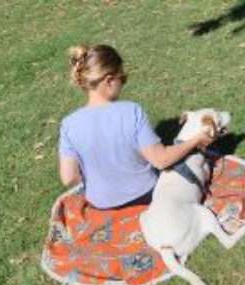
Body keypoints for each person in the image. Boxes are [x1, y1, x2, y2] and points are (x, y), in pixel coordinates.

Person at [58, 43, 215, 209]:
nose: (123, 83)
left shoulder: (68, 124)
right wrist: (196, 140)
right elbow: (161, 160)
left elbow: (68, 178)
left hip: (101, 204)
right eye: (122, 78)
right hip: (146, 195)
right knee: (192, 164)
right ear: (109, 80)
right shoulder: (131, 111)